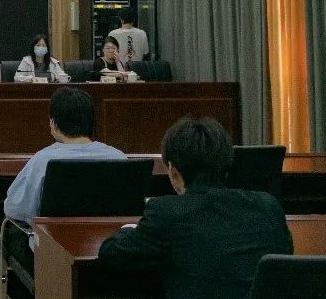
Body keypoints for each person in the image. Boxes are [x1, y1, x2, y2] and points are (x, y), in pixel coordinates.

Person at [99, 117, 293, 299]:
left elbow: (112, 254)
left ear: (173, 170)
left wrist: (126, 230)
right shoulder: (267, 205)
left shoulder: (166, 212)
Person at [1, 87, 126, 274]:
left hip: (51, 252)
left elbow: (15, 210)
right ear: (92, 122)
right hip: (110, 249)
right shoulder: (119, 158)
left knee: (1, 235)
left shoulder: (43, 160)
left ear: (53, 123)